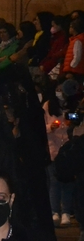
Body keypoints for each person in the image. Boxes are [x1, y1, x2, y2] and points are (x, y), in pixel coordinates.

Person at [45, 87, 74, 227]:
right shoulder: (48, 106)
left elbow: (76, 121)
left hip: (69, 149)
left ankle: (66, 212)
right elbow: (41, 126)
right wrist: (51, 127)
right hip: (53, 149)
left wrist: (70, 123)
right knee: (54, 182)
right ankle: (54, 211)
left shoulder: (72, 104)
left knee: (68, 182)